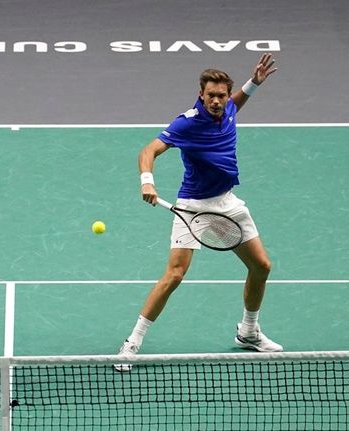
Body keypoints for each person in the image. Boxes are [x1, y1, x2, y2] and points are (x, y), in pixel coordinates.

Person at [114, 54, 283, 372]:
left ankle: (248, 332)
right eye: (211, 96)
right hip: (193, 207)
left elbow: (237, 102)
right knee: (174, 275)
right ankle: (131, 344)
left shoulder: (229, 107)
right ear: (201, 95)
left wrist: (254, 83)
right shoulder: (187, 122)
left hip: (227, 202)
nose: (217, 102)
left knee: (261, 266)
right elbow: (148, 150)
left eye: (221, 95)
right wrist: (147, 182)